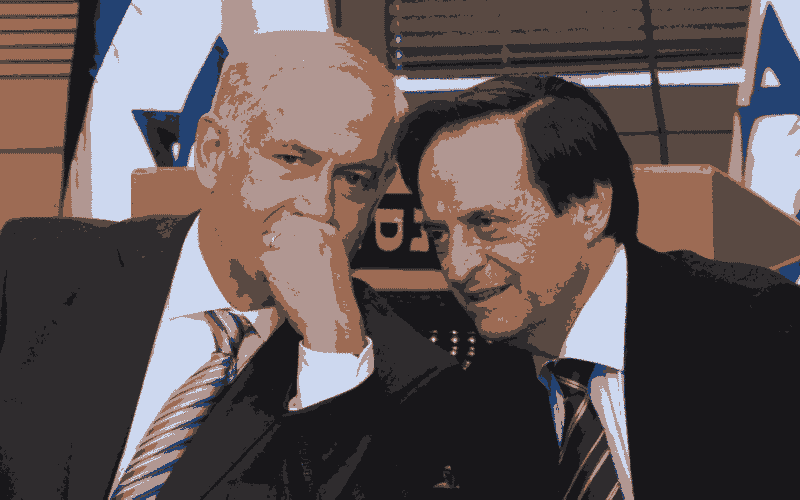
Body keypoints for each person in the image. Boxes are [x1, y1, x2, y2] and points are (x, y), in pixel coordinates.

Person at [0, 31, 460, 499]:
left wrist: (332, 349)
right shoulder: (34, 267)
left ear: (380, 189)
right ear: (213, 152)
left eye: (354, 179)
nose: (318, 206)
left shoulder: (407, 377)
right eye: (291, 159)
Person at [395, 74, 800, 499]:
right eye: (438, 234)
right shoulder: (483, 402)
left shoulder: (759, 327)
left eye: (488, 224)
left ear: (590, 209)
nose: (457, 266)